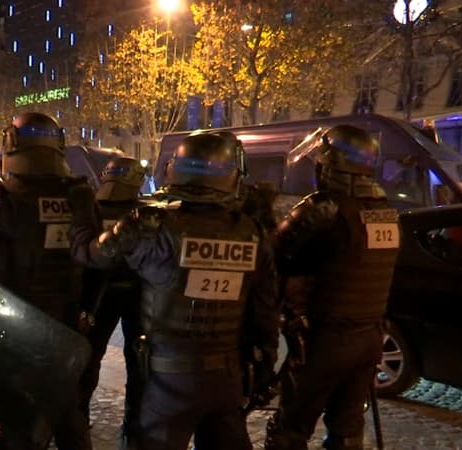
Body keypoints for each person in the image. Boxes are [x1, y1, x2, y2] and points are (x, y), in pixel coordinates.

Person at [72, 132, 280, 450]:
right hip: (225, 381)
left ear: (175, 170)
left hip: (166, 383)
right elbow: (264, 313)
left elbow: (89, 254)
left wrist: (84, 205)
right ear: (233, 176)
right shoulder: (251, 233)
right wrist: (262, 370)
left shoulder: (150, 226)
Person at [265, 125, 400, 450]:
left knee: (290, 430)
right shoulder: (386, 213)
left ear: (333, 164)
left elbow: (272, 255)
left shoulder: (324, 209)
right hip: (369, 339)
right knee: (347, 430)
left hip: (323, 340)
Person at [0, 112, 92, 450]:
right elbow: (95, 262)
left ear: (11, 144)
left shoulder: (0, 197)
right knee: (68, 417)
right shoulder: (79, 195)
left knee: (0, 420)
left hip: (12, 331)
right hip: (64, 328)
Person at [76, 157, 147, 449]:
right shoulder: (145, 213)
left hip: (97, 295)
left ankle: (78, 416)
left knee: (88, 360)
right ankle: (134, 424)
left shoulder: (92, 210)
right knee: (139, 363)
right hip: (137, 295)